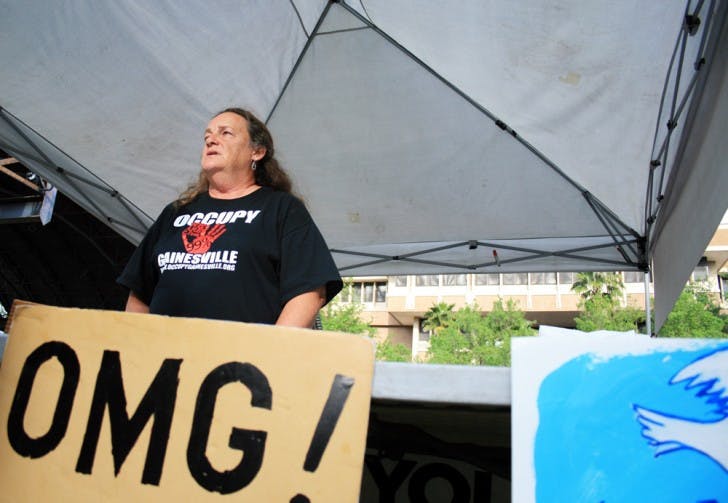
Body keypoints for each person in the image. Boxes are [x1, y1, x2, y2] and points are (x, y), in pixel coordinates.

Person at [117, 108, 342, 328]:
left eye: (225, 133)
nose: (211, 140)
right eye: (207, 135)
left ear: (257, 151)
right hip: (170, 360)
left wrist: (270, 356)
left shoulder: (281, 209)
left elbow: (308, 293)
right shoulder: (175, 212)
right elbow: (140, 294)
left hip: (242, 361)